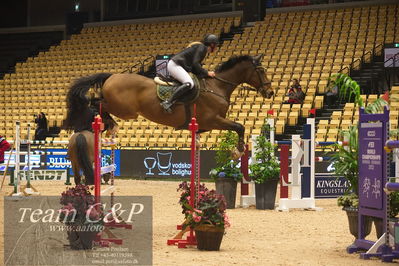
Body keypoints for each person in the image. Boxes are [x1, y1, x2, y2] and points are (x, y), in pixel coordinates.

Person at [160, 34, 218, 113]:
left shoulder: (200, 47)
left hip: (177, 64)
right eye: (216, 45)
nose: (216, 48)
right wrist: (207, 73)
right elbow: (195, 64)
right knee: (189, 83)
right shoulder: (202, 48)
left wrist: (203, 74)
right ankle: (167, 102)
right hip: (175, 65)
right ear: (212, 45)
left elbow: (195, 67)